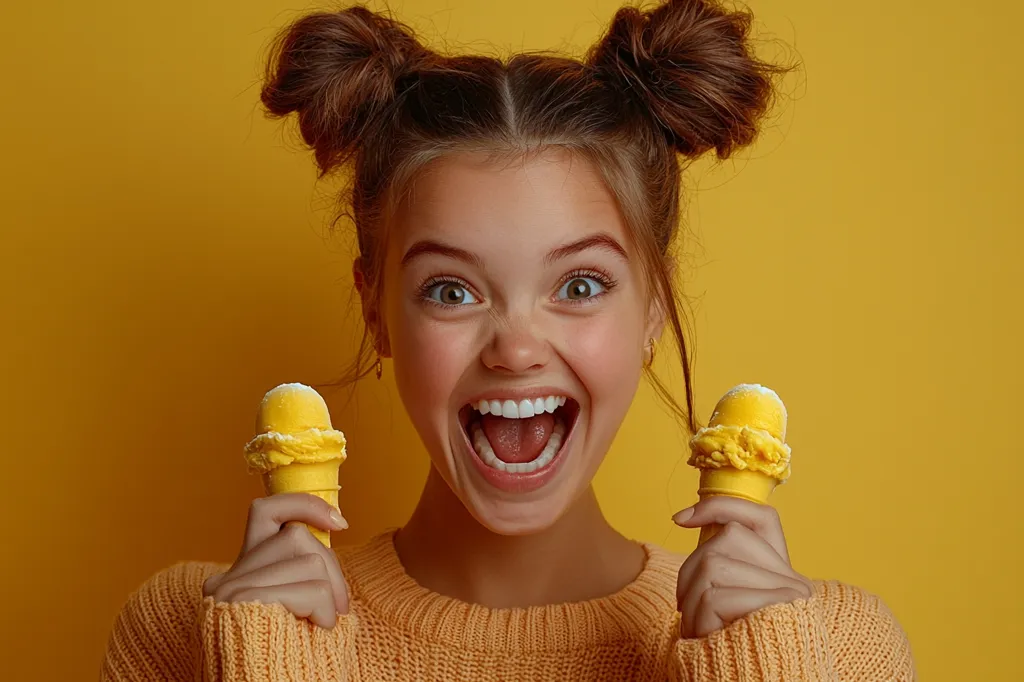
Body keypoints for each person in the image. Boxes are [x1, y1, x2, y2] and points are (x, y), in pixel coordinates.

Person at [101, 1, 915, 679]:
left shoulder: (833, 650)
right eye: (450, 290)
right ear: (377, 310)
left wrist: (763, 666)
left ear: (654, 311)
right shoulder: (190, 635)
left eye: (581, 285)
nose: (516, 349)